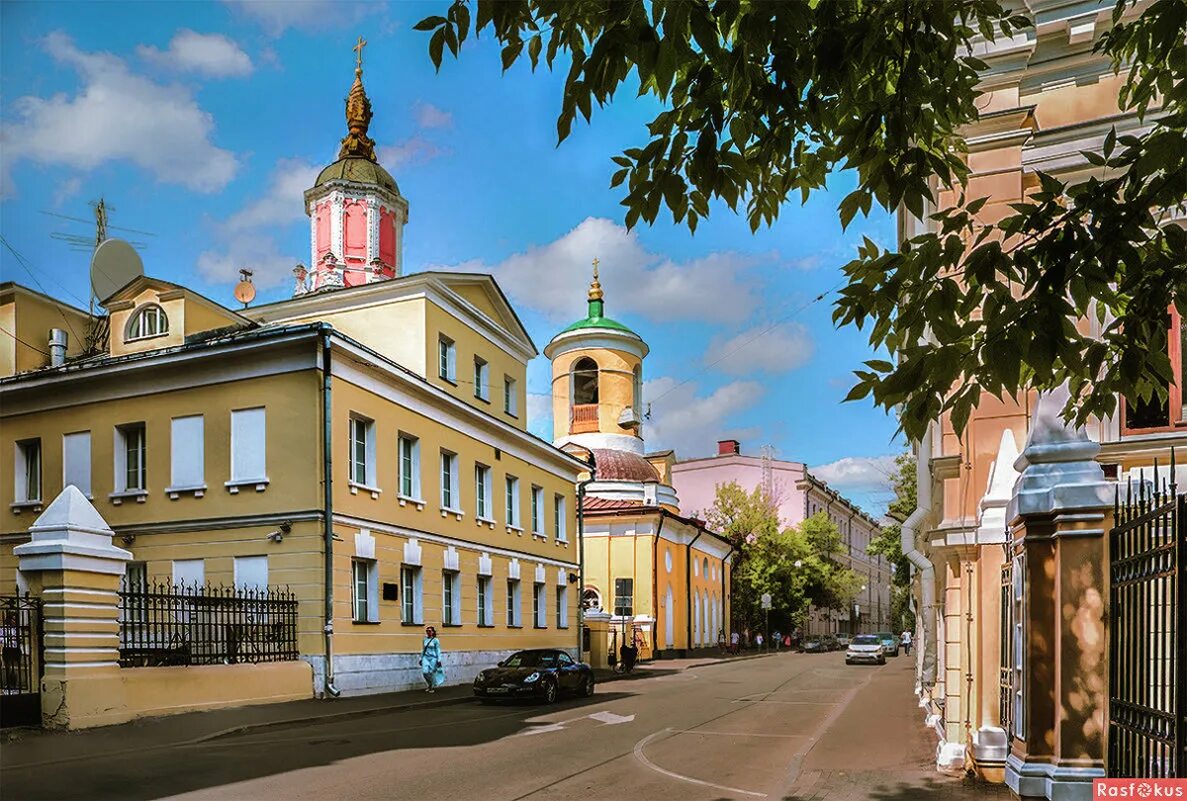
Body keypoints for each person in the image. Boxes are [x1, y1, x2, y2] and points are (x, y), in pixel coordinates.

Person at [420, 626, 445, 693]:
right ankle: (430, 684)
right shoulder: (424, 639)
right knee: (425, 672)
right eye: (427, 631)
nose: (428, 632)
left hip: (433, 658)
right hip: (426, 657)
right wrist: (421, 658)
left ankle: (430, 687)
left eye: (429, 631)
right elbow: (423, 650)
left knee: (431, 673)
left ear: (433, 632)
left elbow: (438, 650)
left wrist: (439, 660)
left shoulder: (435, 640)